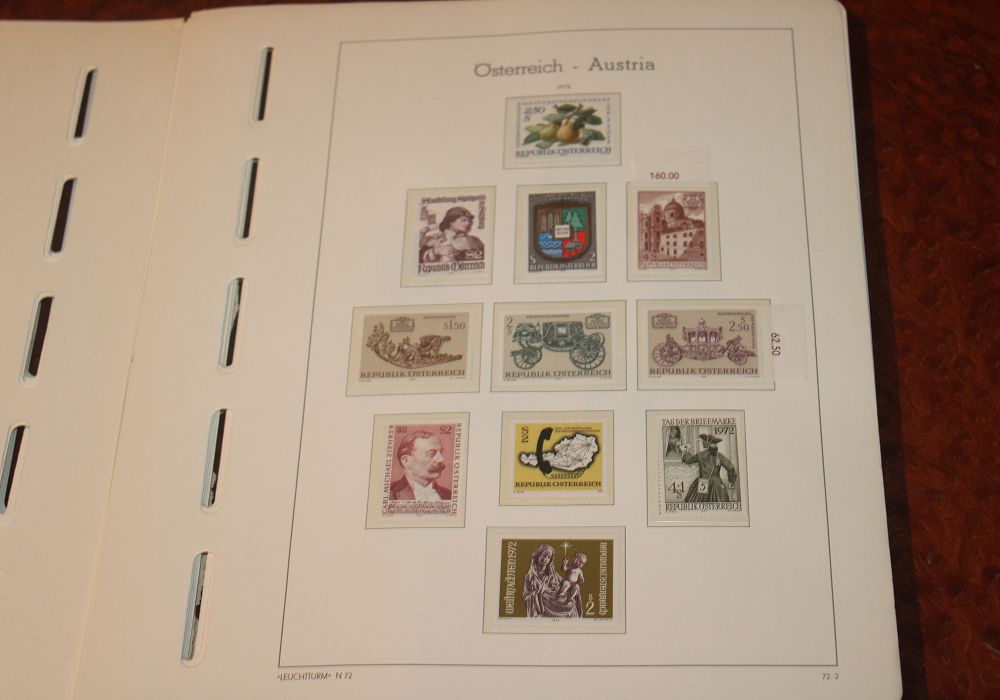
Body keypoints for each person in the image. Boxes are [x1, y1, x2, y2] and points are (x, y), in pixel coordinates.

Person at [389, 430, 451, 501]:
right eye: (431, 454)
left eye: (441, 452)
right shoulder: (389, 495)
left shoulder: (449, 495)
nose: (441, 459)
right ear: (406, 461)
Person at [522, 544, 581, 618]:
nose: (546, 559)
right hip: (543, 604)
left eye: (549, 557)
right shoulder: (530, 576)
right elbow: (526, 595)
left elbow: (564, 583)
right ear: (538, 556)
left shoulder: (553, 574)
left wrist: (573, 586)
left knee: (570, 602)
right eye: (544, 556)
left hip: (558, 600)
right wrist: (537, 593)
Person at [681, 433, 737, 502]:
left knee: (699, 503)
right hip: (716, 484)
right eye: (713, 444)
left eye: (715, 444)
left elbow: (688, 460)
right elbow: (731, 467)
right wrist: (732, 481)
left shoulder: (701, 455)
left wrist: (686, 451)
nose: (714, 445)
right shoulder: (720, 456)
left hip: (703, 482)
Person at [419, 207, 484, 263]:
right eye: (463, 220)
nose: (468, 223)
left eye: (469, 221)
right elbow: (419, 257)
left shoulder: (474, 240)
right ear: (451, 221)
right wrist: (436, 251)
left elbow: (483, 257)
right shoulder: (433, 238)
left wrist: (460, 253)